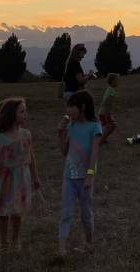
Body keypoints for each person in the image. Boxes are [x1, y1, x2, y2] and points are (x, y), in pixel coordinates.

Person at [0, 97, 42, 252]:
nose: (25, 114)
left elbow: (30, 157)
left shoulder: (26, 134)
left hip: (21, 177)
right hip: (4, 178)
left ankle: (15, 240)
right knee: (4, 212)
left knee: (17, 211)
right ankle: (3, 243)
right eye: (22, 111)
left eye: (26, 111)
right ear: (11, 114)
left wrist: (35, 177)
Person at [57, 91, 102, 255]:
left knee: (85, 213)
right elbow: (64, 152)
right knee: (66, 212)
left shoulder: (94, 127)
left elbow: (94, 153)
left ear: (82, 107)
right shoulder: (71, 126)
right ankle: (61, 248)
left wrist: (90, 175)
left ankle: (89, 242)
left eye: (71, 107)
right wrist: (60, 132)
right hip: (68, 176)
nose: (68, 110)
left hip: (85, 178)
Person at [97, 73, 118, 144]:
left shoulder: (110, 89)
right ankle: (100, 141)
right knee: (109, 127)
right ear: (112, 81)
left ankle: (103, 139)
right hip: (104, 113)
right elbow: (107, 102)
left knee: (112, 126)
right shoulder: (111, 90)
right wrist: (107, 115)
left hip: (105, 112)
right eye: (117, 80)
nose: (118, 82)